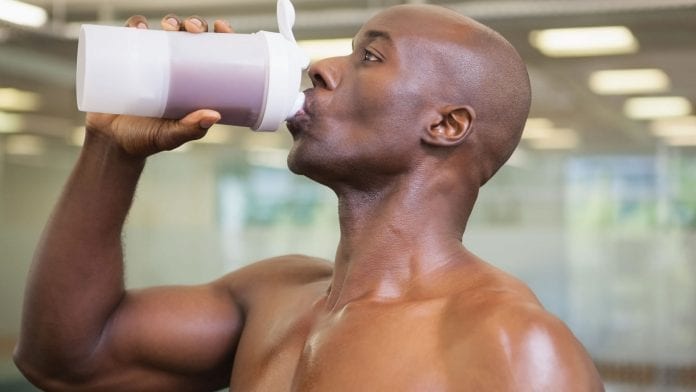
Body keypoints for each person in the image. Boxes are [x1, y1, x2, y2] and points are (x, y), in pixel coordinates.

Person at [13, 4, 604, 391]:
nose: (321, 66)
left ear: (446, 125)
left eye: (369, 56)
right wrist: (112, 150)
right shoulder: (273, 297)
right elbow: (64, 359)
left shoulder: (513, 345)